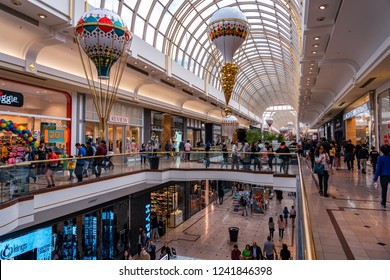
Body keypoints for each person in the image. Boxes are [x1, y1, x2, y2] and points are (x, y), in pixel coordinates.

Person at [373, 144, 390, 208]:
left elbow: (378, 169)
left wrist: (375, 178)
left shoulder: (380, 158)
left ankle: (383, 202)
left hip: (384, 176)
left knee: (384, 189)